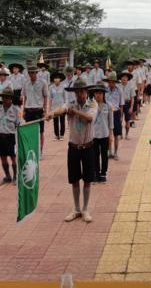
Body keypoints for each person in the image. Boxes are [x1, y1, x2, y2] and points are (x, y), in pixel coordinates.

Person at [46, 79, 97, 222]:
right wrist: (52, 113)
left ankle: (85, 209)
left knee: (87, 180)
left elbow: (89, 118)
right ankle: (76, 208)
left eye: (82, 91)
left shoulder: (92, 104)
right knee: (74, 179)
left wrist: (74, 112)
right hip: (74, 147)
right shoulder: (70, 103)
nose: (79, 94)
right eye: (77, 92)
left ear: (86, 92)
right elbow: (61, 109)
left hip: (88, 146)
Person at [0, 87, 20, 184]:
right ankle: (7, 176)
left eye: (7, 97)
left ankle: (15, 176)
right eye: (3, 97)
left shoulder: (17, 110)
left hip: (11, 137)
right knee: (3, 157)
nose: (5, 99)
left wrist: (18, 139)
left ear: (11, 98)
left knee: (13, 157)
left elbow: (20, 125)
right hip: (0, 137)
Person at [22, 66, 49, 155]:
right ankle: (30, 149)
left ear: (36, 73)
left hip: (38, 110)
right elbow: (25, 97)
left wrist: (45, 110)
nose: (32, 74)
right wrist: (23, 110)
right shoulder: (25, 83)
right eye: (30, 73)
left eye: (33, 72)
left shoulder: (42, 82)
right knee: (28, 131)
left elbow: (45, 96)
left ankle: (40, 150)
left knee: (40, 131)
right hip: (28, 110)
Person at [90, 84, 114, 182]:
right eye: (96, 93)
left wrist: (111, 135)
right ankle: (96, 173)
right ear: (94, 94)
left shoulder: (108, 106)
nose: (98, 95)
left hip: (105, 134)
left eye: (100, 93)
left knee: (104, 155)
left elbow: (110, 121)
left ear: (103, 94)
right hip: (94, 135)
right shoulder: (90, 106)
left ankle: (103, 173)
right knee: (95, 155)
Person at [104, 73, 123, 160]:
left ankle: (115, 152)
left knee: (116, 135)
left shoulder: (119, 91)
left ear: (115, 82)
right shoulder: (105, 90)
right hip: (107, 113)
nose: (111, 83)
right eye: (110, 82)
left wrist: (121, 117)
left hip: (116, 113)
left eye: (113, 82)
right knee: (108, 133)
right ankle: (109, 152)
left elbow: (121, 105)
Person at [49, 72, 66, 140]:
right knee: (55, 121)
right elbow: (50, 98)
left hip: (62, 106)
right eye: (55, 78)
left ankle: (62, 135)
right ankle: (56, 135)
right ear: (53, 79)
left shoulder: (64, 87)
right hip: (54, 107)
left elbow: (65, 97)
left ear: (60, 79)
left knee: (62, 121)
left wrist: (65, 106)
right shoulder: (51, 87)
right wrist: (50, 108)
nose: (56, 79)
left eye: (57, 78)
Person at [119, 71, 135, 140]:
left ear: (127, 79)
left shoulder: (131, 86)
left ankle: (127, 134)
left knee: (127, 120)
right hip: (119, 104)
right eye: (123, 77)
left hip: (127, 104)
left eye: (125, 77)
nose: (124, 79)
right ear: (121, 78)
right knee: (119, 120)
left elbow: (132, 98)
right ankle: (120, 134)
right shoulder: (118, 86)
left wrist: (131, 107)